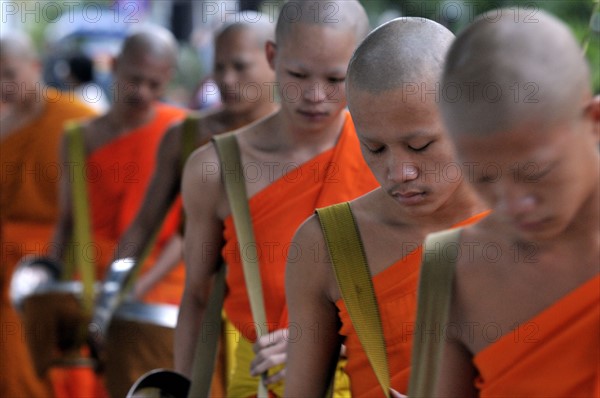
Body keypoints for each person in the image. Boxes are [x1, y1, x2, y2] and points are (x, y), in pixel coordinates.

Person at [175, 1, 379, 396]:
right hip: (260, 381)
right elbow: (197, 296)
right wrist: (182, 386)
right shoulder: (217, 168)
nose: (315, 95)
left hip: (366, 377)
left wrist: (321, 342)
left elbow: (419, 292)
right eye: (298, 75)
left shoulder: (387, 159)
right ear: (272, 56)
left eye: (336, 79)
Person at [284, 18, 488, 398]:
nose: (399, 172)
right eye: (374, 148)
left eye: (421, 145)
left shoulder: (533, 223)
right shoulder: (329, 244)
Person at [430, 10, 599, 397]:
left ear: (594, 121)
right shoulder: (456, 268)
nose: (512, 205)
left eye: (536, 172)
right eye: (483, 178)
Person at [49, 27, 186, 397]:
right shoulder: (78, 137)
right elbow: (66, 224)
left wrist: (134, 291)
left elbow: (187, 234)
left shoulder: (181, 133)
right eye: (134, 79)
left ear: (168, 78)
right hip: (90, 288)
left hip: (160, 290)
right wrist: (50, 292)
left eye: (154, 84)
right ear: (113, 66)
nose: (142, 92)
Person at [0, 31, 97, 398]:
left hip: (51, 261)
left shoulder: (76, 120)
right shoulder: (3, 124)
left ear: (35, 67)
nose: (2, 85)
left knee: (35, 364)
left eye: (10, 73)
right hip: (5, 256)